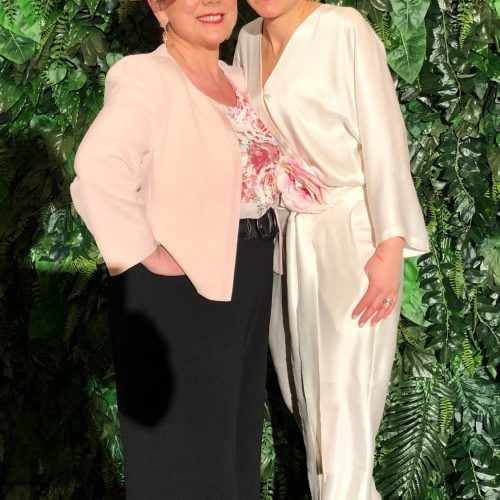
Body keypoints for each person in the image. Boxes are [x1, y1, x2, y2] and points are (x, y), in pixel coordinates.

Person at [70, 0, 283, 497]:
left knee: (232, 453)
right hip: (181, 293)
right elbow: (97, 166)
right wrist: (145, 252)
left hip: (246, 274)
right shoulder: (146, 76)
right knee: (186, 460)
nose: (211, 3)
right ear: (159, 8)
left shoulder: (236, 79)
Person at [234, 1, 430, 499]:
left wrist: (391, 245)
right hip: (285, 248)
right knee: (308, 411)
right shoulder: (248, 41)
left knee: (343, 416)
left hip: (354, 241)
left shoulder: (344, 29)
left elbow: (385, 138)